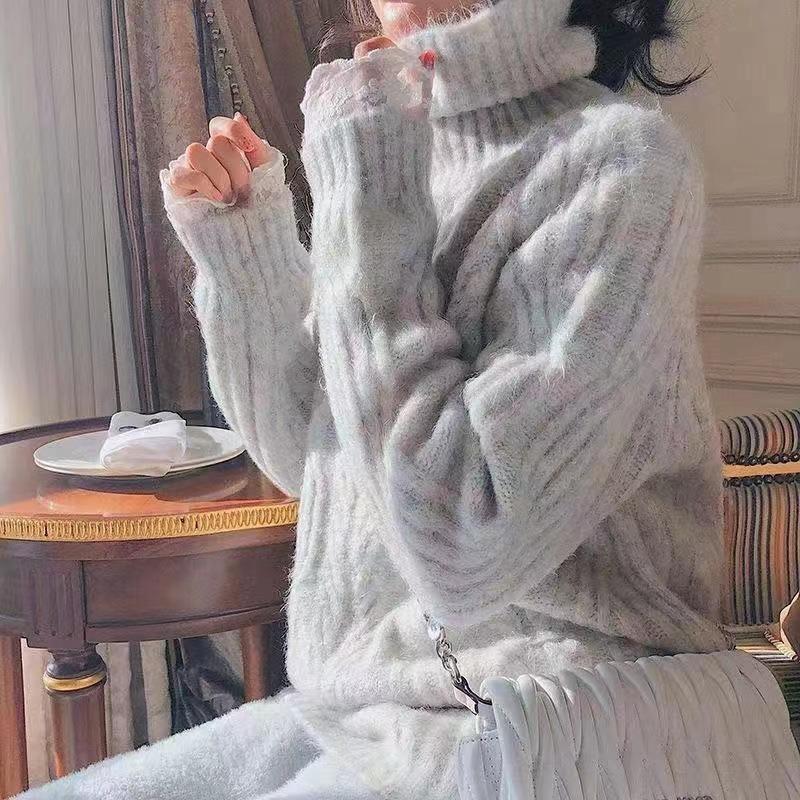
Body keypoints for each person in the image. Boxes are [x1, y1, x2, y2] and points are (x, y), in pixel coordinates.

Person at [22, 1, 728, 798]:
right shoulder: (395, 140)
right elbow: (319, 465)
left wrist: (365, 172)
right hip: (366, 711)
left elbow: (466, 538)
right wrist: (245, 248)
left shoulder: (621, 164)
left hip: (558, 717)